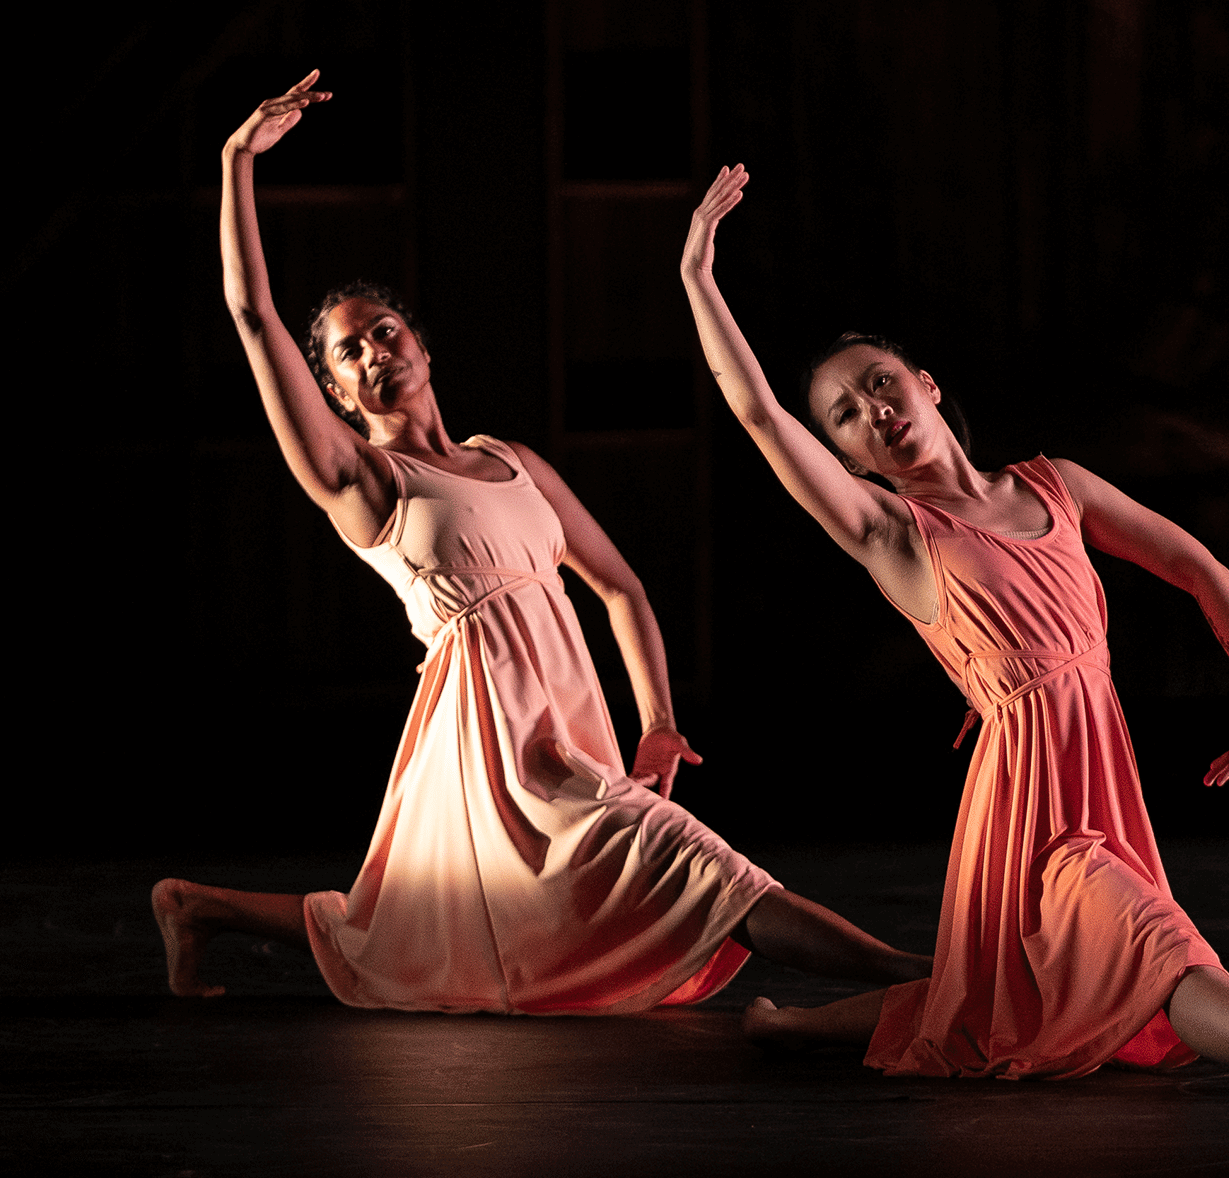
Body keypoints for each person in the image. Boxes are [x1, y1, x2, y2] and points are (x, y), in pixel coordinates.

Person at [152, 73, 929, 1012]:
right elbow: (253, 315)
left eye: (384, 332)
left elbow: (620, 588)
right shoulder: (362, 482)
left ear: (424, 348)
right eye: (348, 354)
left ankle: (196, 906)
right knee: (699, 869)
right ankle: (916, 977)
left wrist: (657, 720)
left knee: (404, 919)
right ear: (341, 394)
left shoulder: (508, 459)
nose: (373, 355)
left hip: (567, 734)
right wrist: (238, 163)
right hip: (486, 743)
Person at [677, 165, 1229, 1101]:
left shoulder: (1053, 484)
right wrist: (701, 276)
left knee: (999, 993)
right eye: (847, 416)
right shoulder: (895, 536)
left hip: (1098, 767)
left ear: (928, 384)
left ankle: (790, 1024)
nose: (877, 412)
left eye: (881, 384)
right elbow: (757, 415)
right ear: (844, 454)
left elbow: (1199, 567)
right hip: (1028, 795)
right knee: (1150, 944)